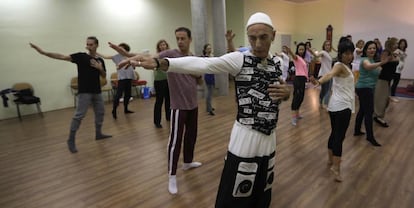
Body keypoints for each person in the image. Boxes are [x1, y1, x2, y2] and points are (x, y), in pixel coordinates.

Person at [119, 12, 290, 208]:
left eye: (263, 37)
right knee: (236, 192)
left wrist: (287, 94)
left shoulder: (278, 63)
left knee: (262, 190)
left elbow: (279, 95)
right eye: (252, 38)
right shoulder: (240, 59)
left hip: (270, 137)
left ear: (273, 35)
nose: (258, 44)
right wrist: (162, 63)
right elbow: (204, 63)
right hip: (246, 136)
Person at [29, 37, 112, 153]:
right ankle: (71, 139)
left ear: (97, 45)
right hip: (85, 92)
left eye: (91, 44)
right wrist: (43, 52)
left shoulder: (100, 60)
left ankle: (98, 133)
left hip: (97, 91)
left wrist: (100, 68)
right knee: (79, 116)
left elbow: (103, 76)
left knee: (100, 113)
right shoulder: (81, 56)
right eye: (87, 44)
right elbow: (62, 56)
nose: (88, 46)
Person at [311, 37, 355, 182]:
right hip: (342, 107)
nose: (349, 55)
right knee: (339, 137)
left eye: (351, 53)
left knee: (335, 133)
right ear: (341, 53)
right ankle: (336, 168)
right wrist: (319, 81)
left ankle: (331, 161)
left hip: (335, 105)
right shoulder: (340, 66)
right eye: (346, 53)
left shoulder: (347, 66)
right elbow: (329, 75)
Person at [354, 40, 390, 146]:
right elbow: (368, 67)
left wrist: (383, 62)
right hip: (364, 88)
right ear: (365, 50)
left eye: (374, 48)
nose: (372, 50)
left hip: (368, 88)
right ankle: (370, 137)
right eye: (370, 48)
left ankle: (357, 130)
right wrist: (381, 63)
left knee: (362, 110)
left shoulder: (373, 60)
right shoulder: (364, 60)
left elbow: (378, 70)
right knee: (369, 112)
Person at [98, 43, 135, 119]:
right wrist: (96, 52)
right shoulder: (116, 57)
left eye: (121, 48)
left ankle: (126, 109)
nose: (119, 50)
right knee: (118, 95)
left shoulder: (130, 56)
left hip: (129, 78)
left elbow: (134, 66)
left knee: (128, 95)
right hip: (122, 79)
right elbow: (105, 56)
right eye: (118, 48)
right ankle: (114, 110)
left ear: (126, 49)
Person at [373, 37, 400, 127]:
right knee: (381, 100)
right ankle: (378, 116)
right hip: (382, 79)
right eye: (396, 43)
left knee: (386, 100)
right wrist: (394, 58)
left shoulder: (393, 53)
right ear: (391, 44)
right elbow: (382, 63)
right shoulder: (386, 52)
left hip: (388, 79)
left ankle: (378, 115)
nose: (397, 45)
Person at [286, 42, 308, 126]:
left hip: (303, 80)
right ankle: (293, 117)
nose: (301, 51)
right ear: (297, 50)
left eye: (303, 49)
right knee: (296, 98)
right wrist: (290, 51)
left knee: (301, 98)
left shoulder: (303, 59)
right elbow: (293, 56)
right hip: (298, 79)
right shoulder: (297, 57)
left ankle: (297, 114)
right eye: (300, 49)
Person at [308, 40, 334, 109]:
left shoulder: (328, 54)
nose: (328, 46)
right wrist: (311, 51)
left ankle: (321, 102)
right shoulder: (323, 52)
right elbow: (316, 55)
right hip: (324, 74)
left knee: (325, 90)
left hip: (329, 74)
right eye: (326, 45)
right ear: (324, 46)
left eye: (329, 45)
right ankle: (325, 104)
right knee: (327, 90)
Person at [153, 39, 171, 128]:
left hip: (169, 80)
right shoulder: (157, 57)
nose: (163, 46)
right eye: (161, 45)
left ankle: (169, 117)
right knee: (159, 101)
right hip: (159, 81)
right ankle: (157, 121)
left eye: (164, 44)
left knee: (168, 99)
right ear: (159, 47)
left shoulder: (170, 56)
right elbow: (154, 67)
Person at [202, 43, 215, 116]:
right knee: (209, 93)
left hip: (212, 75)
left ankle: (209, 107)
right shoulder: (206, 57)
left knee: (211, 92)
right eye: (208, 48)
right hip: (208, 75)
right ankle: (209, 109)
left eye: (210, 48)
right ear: (205, 50)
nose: (209, 49)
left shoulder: (211, 56)